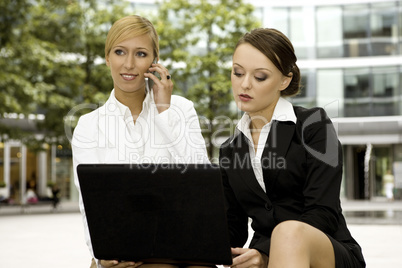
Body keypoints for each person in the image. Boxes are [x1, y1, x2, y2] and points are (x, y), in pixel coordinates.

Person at [219, 28, 366, 268]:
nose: (244, 84)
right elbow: (232, 228)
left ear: (284, 80)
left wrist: (265, 253)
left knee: (288, 233)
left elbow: (323, 212)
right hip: (264, 257)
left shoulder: (314, 125)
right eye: (237, 72)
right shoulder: (230, 149)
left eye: (260, 77)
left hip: (327, 250)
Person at [71, 15, 209, 268]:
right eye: (120, 52)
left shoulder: (181, 109)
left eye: (141, 54)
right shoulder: (88, 126)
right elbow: (88, 203)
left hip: (182, 242)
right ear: (107, 57)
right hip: (123, 246)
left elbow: (200, 182)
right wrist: (102, 254)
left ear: (154, 61)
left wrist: (165, 111)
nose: (129, 64)